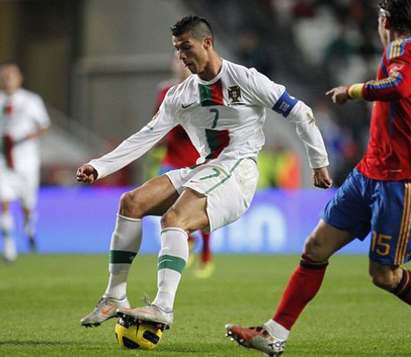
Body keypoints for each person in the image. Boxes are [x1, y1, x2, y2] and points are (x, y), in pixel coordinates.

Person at [226, 1, 411, 357]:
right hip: (368, 173)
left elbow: (397, 86)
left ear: (385, 21)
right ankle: (275, 334)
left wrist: (351, 91)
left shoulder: (403, 49)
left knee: (384, 275)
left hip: (400, 182)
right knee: (315, 248)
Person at [78, 15, 332, 330]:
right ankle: (115, 296)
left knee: (174, 219)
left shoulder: (246, 79)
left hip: (237, 171)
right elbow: (145, 137)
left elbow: (300, 112)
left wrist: (318, 162)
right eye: (177, 50)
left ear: (207, 43)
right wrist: (99, 166)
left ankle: (163, 307)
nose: (181, 57)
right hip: (204, 168)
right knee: (132, 203)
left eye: (186, 48)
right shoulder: (179, 95)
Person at [155, 55, 214, 278]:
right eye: (177, 60)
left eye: (184, 60)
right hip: (171, 158)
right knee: (165, 206)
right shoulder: (164, 91)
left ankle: (207, 256)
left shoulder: (201, 90)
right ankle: (187, 240)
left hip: (196, 159)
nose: (181, 64)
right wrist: (154, 140)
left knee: (202, 211)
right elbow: (157, 121)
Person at [0, 63, 50, 262]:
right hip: (3, 161)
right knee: (4, 201)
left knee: (27, 204)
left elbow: (44, 126)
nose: (6, 79)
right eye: (3, 76)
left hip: (26, 161)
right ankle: (9, 245)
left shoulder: (31, 101)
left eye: (10, 75)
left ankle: (29, 228)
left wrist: (26, 136)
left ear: (20, 78)